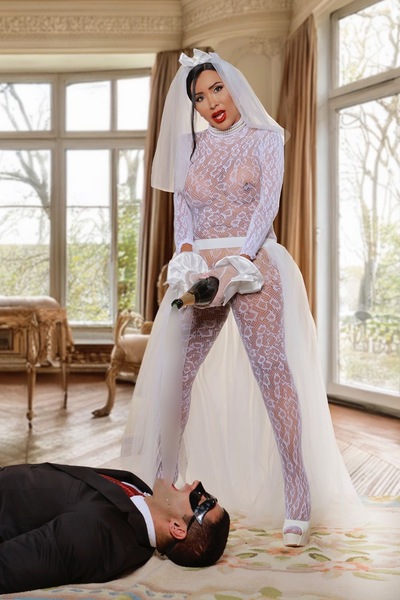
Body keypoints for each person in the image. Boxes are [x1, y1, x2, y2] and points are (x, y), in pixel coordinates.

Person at [121, 49, 361, 547]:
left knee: (273, 374)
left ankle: (297, 494)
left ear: (233, 87)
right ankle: (162, 486)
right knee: (175, 378)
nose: (211, 103)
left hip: (252, 265)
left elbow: (267, 205)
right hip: (200, 269)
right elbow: (184, 218)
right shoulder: (188, 145)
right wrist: (188, 260)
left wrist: (239, 261)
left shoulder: (266, 138)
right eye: (199, 97)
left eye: (217, 89)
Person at [0, 462, 230, 594]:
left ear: (177, 528)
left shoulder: (100, 536)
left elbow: (9, 566)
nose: (195, 484)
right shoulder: (141, 493)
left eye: (200, 498)